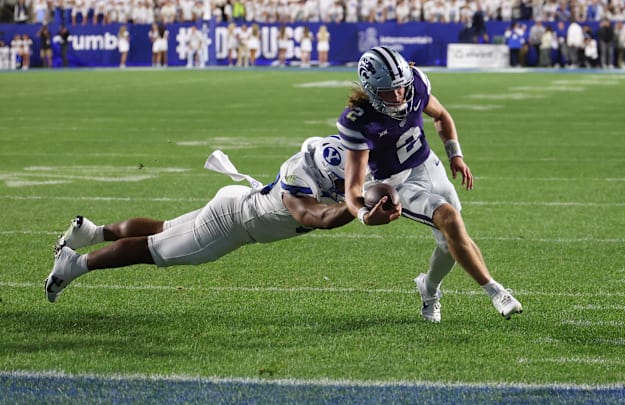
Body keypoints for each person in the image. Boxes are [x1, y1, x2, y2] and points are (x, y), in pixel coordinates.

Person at [45, 135, 354, 303]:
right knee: (152, 248)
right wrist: (358, 206)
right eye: (340, 184)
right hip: (231, 224)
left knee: (162, 229)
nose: (346, 187)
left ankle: (93, 233)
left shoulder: (316, 167)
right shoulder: (299, 190)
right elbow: (322, 216)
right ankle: (75, 264)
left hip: (237, 203)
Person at [336, 46, 523, 323]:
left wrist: (455, 154)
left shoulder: (416, 84)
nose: (399, 95)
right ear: (371, 90)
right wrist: (364, 214)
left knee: (451, 239)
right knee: (449, 219)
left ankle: (429, 289)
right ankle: (495, 291)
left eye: (401, 87)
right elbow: (353, 189)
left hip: (428, 164)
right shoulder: (357, 121)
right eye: (390, 90)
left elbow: (441, 116)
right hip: (394, 182)